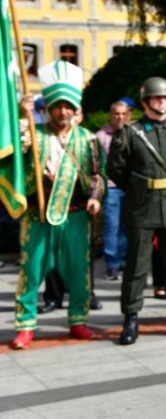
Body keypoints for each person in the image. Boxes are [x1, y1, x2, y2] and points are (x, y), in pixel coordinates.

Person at [11, 61, 105, 350]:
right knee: (31, 271)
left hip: (74, 217)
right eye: (57, 106)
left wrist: (94, 197)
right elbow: (10, 148)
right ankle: (25, 326)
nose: (62, 112)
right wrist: (20, 112)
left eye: (68, 106)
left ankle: (78, 319)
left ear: (74, 109)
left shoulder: (87, 138)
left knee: (78, 271)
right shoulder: (32, 134)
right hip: (37, 217)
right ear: (48, 107)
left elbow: (97, 174)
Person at [108, 77, 166, 345]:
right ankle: (131, 318)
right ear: (146, 102)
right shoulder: (129, 133)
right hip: (142, 206)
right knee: (136, 265)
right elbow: (116, 170)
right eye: (157, 98)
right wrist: (140, 187)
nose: (162, 102)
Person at [96, 100, 131, 280]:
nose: (120, 117)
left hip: (131, 187)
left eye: (123, 114)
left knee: (127, 227)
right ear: (111, 115)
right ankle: (112, 264)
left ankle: (123, 260)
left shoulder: (133, 134)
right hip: (111, 188)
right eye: (117, 113)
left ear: (129, 115)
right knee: (112, 226)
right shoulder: (101, 136)